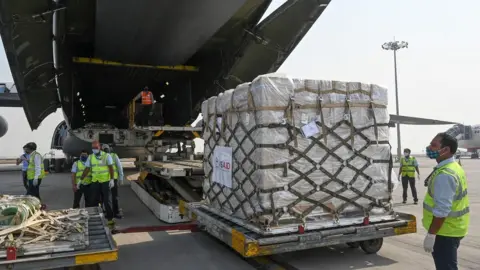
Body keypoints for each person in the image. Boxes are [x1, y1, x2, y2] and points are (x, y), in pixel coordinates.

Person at [423, 132, 470, 270]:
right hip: (452, 229)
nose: (429, 148)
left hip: (445, 232)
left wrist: (431, 235)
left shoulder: (445, 174)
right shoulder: (454, 168)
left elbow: (442, 210)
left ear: (446, 150)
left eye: (433, 145)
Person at [79, 141, 116, 227]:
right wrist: (80, 180)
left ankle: (110, 220)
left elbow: (111, 168)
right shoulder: (91, 157)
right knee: (94, 201)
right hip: (95, 182)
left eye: (96, 148)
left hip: (105, 182)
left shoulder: (106, 156)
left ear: (99, 147)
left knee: (107, 201)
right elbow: (87, 169)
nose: (94, 149)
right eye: (93, 148)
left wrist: (112, 180)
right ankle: (96, 218)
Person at [102, 144, 124, 219]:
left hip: (113, 180)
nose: (106, 150)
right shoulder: (101, 157)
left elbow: (119, 167)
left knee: (115, 197)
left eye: (106, 149)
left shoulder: (114, 156)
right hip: (104, 180)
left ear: (109, 149)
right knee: (105, 198)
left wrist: (121, 178)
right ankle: (108, 213)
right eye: (104, 149)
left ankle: (116, 212)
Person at [24, 142, 46, 209]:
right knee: (35, 193)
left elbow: (38, 167)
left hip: (35, 178)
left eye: (26, 148)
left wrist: (36, 178)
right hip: (32, 177)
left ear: (30, 149)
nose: (25, 150)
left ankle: (25, 206)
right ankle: (41, 206)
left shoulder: (36, 155)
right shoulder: (32, 155)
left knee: (30, 193)